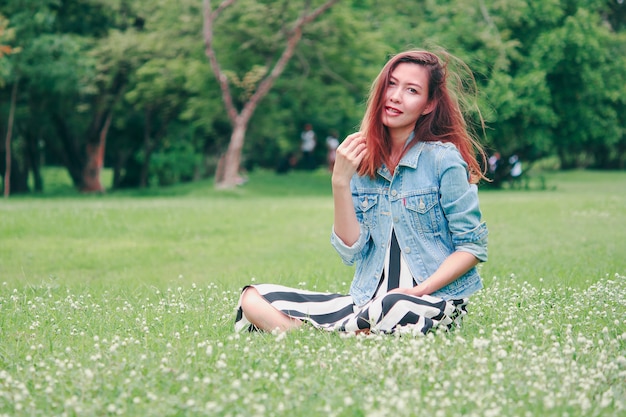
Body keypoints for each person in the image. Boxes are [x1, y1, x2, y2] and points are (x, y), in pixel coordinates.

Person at [235, 49, 489, 334]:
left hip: (429, 302)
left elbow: (471, 247)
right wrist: (340, 182)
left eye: (412, 90)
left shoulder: (443, 159)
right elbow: (350, 250)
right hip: (366, 303)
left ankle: (327, 335)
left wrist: (421, 289)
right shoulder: (362, 162)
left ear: (428, 105)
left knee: (394, 304)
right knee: (252, 298)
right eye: (391, 84)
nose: (395, 96)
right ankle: (341, 335)